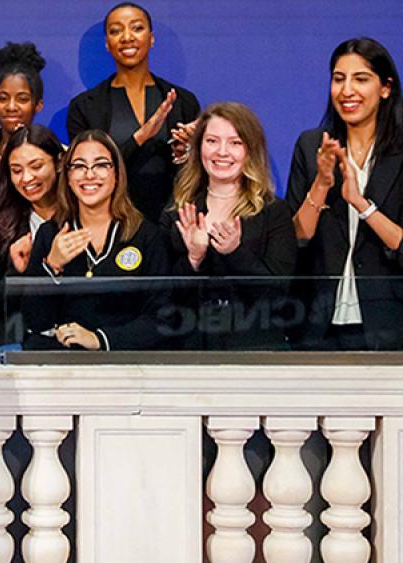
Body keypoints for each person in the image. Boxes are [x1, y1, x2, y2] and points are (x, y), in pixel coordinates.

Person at [288, 37, 403, 350]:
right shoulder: (312, 145)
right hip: (320, 323)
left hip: (391, 323)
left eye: (361, 79)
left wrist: (361, 204)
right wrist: (322, 185)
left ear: (385, 88)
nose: (347, 90)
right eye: (339, 79)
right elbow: (294, 240)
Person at [162, 102, 295, 349]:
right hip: (191, 353)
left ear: (251, 150)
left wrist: (235, 253)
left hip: (255, 351)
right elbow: (160, 299)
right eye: (212, 141)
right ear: (199, 147)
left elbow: (278, 296)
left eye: (235, 143)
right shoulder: (178, 211)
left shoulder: (273, 212)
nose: (222, 152)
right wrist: (193, 259)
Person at [24, 130, 170, 350]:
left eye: (101, 165)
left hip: (127, 368)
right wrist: (51, 267)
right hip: (63, 369)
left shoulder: (147, 236)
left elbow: (162, 318)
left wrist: (99, 340)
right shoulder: (50, 234)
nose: (89, 175)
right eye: (79, 166)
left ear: (117, 174)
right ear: (69, 177)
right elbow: (33, 322)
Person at [67, 2, 200, 222]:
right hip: (111, 223)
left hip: (171, 224)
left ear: (152, 38)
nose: (127, 37)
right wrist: (140, 137)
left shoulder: (182, 101)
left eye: (137, 28)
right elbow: (84, 174)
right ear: (107, 44)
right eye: (116, 31)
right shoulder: (84, 107)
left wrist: (185, 152)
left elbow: (195, 173)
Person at [0, 124, 64, 357]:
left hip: (72, 344)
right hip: (13, 344)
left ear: (58, 163)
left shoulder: (83, 218)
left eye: (36, 166)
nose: (27, 178)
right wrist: (18, 272)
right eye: (16, 170)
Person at [0, 42, 48, 177]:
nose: (11, 107)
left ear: (38, 105)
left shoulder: (58, 155)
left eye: (22, 99)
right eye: (3, 98)